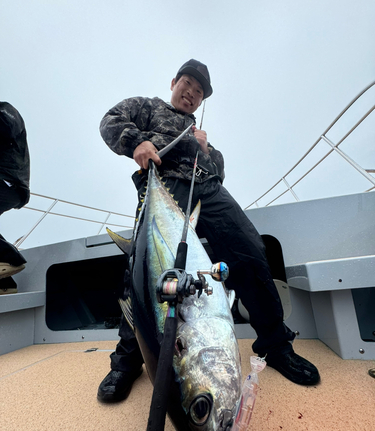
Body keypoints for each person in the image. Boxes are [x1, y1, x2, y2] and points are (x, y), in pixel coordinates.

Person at [97, 59, 320, 402]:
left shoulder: (202, 138)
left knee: (250, 250)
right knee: (147, 272)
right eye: (187, 84)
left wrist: (205, 151)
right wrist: (136, 143)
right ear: (173, 82)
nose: (191, 93)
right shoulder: (148, 107)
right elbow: (110, 120)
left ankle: (275, 346)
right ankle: (126, 362)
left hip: (208, 189)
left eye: (199, 92)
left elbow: (219, 171)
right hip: (164, 185)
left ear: (201, 101)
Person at [0, 102, 30, 295]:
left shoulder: (5, 111)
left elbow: (7, 126)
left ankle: (9, 259)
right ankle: (5, 283)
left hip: (9, 181)